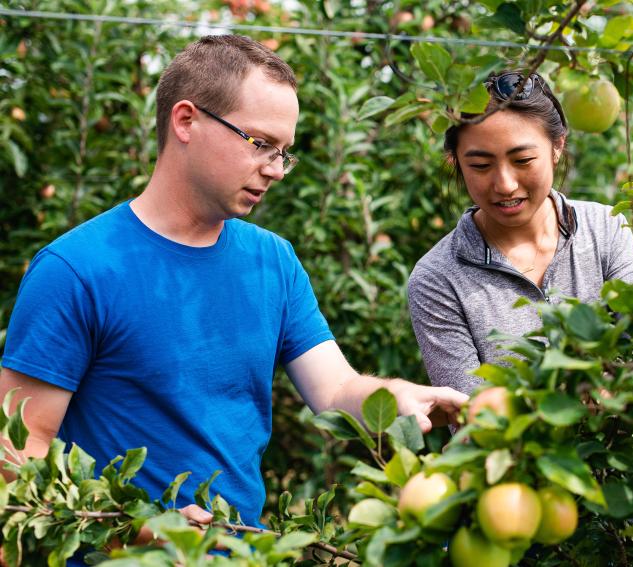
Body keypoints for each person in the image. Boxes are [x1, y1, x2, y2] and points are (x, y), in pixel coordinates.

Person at [0, 34, 468, 540]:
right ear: (186, 121)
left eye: (284, 153)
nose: (275, 169)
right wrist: (132, 530)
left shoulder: (273, 261)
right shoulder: (77, 269)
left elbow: (334, 389)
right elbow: (18, 450)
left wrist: (397, 398)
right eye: (260, 143)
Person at [407, 70, 633, 395]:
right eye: (480, 166)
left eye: (523, 160)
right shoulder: (438, 279)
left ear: (557, 146)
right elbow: (474, 420)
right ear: (457, 162)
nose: (504, 184)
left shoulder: (606, 229)